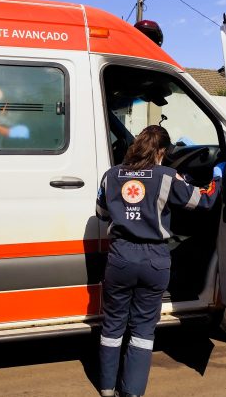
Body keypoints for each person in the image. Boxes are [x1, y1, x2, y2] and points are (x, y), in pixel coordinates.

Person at [96, 125, 224, 397]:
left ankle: (107, 389)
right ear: (162, 152)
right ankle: (131, 392)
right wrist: (218, 176)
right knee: (142, 331)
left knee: (112, 326)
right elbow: (204, 201)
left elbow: (101, 213)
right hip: (154, 261)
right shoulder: (167, 177)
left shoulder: (111, 175)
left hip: (120, 259)